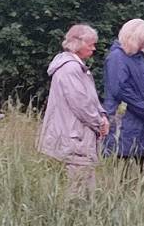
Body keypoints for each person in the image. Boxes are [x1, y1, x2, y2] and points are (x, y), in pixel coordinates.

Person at [37, 23, 108, 197]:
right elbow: (81, 104)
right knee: (79, 186)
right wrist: (99, 122)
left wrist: (103, 115)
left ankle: (82, 217)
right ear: (77, 43)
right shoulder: (70, 69)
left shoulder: (76, 67)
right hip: (75, 136)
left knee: (83, 182)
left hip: (77, 135)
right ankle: (76, 219)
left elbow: (89, 99)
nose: (94, 48)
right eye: (90, 44)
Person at [102, 18, 144, 169]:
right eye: (143, 40)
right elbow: (120, 90)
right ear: (134, 38)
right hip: (125, 123)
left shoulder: (139, 58)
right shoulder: (116, 57)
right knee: (123, 172)